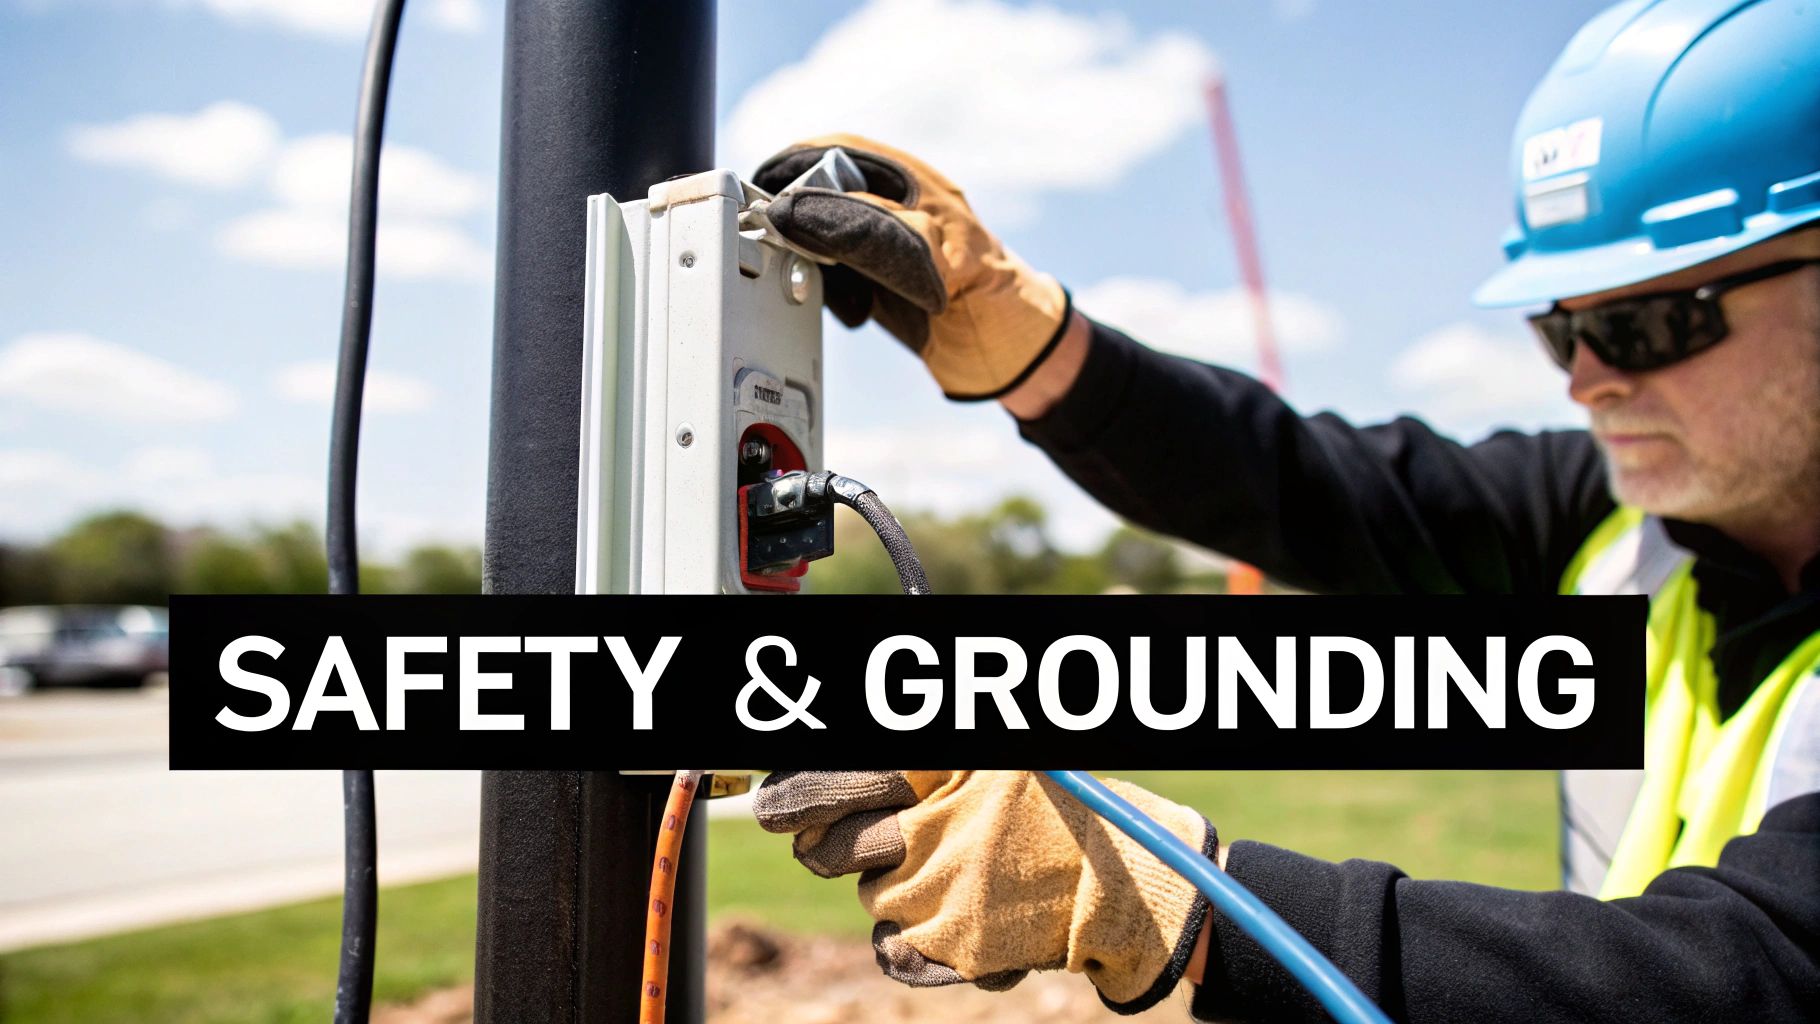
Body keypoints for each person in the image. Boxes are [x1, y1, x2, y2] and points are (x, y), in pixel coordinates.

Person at [745, 1, 1820, 1021]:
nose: (1585, 383)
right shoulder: (1620, 523)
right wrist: (1026, 343)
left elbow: (1757, 971)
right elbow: (1300, 484)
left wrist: (1173, 894)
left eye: (1644, 323)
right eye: (1560, 328)